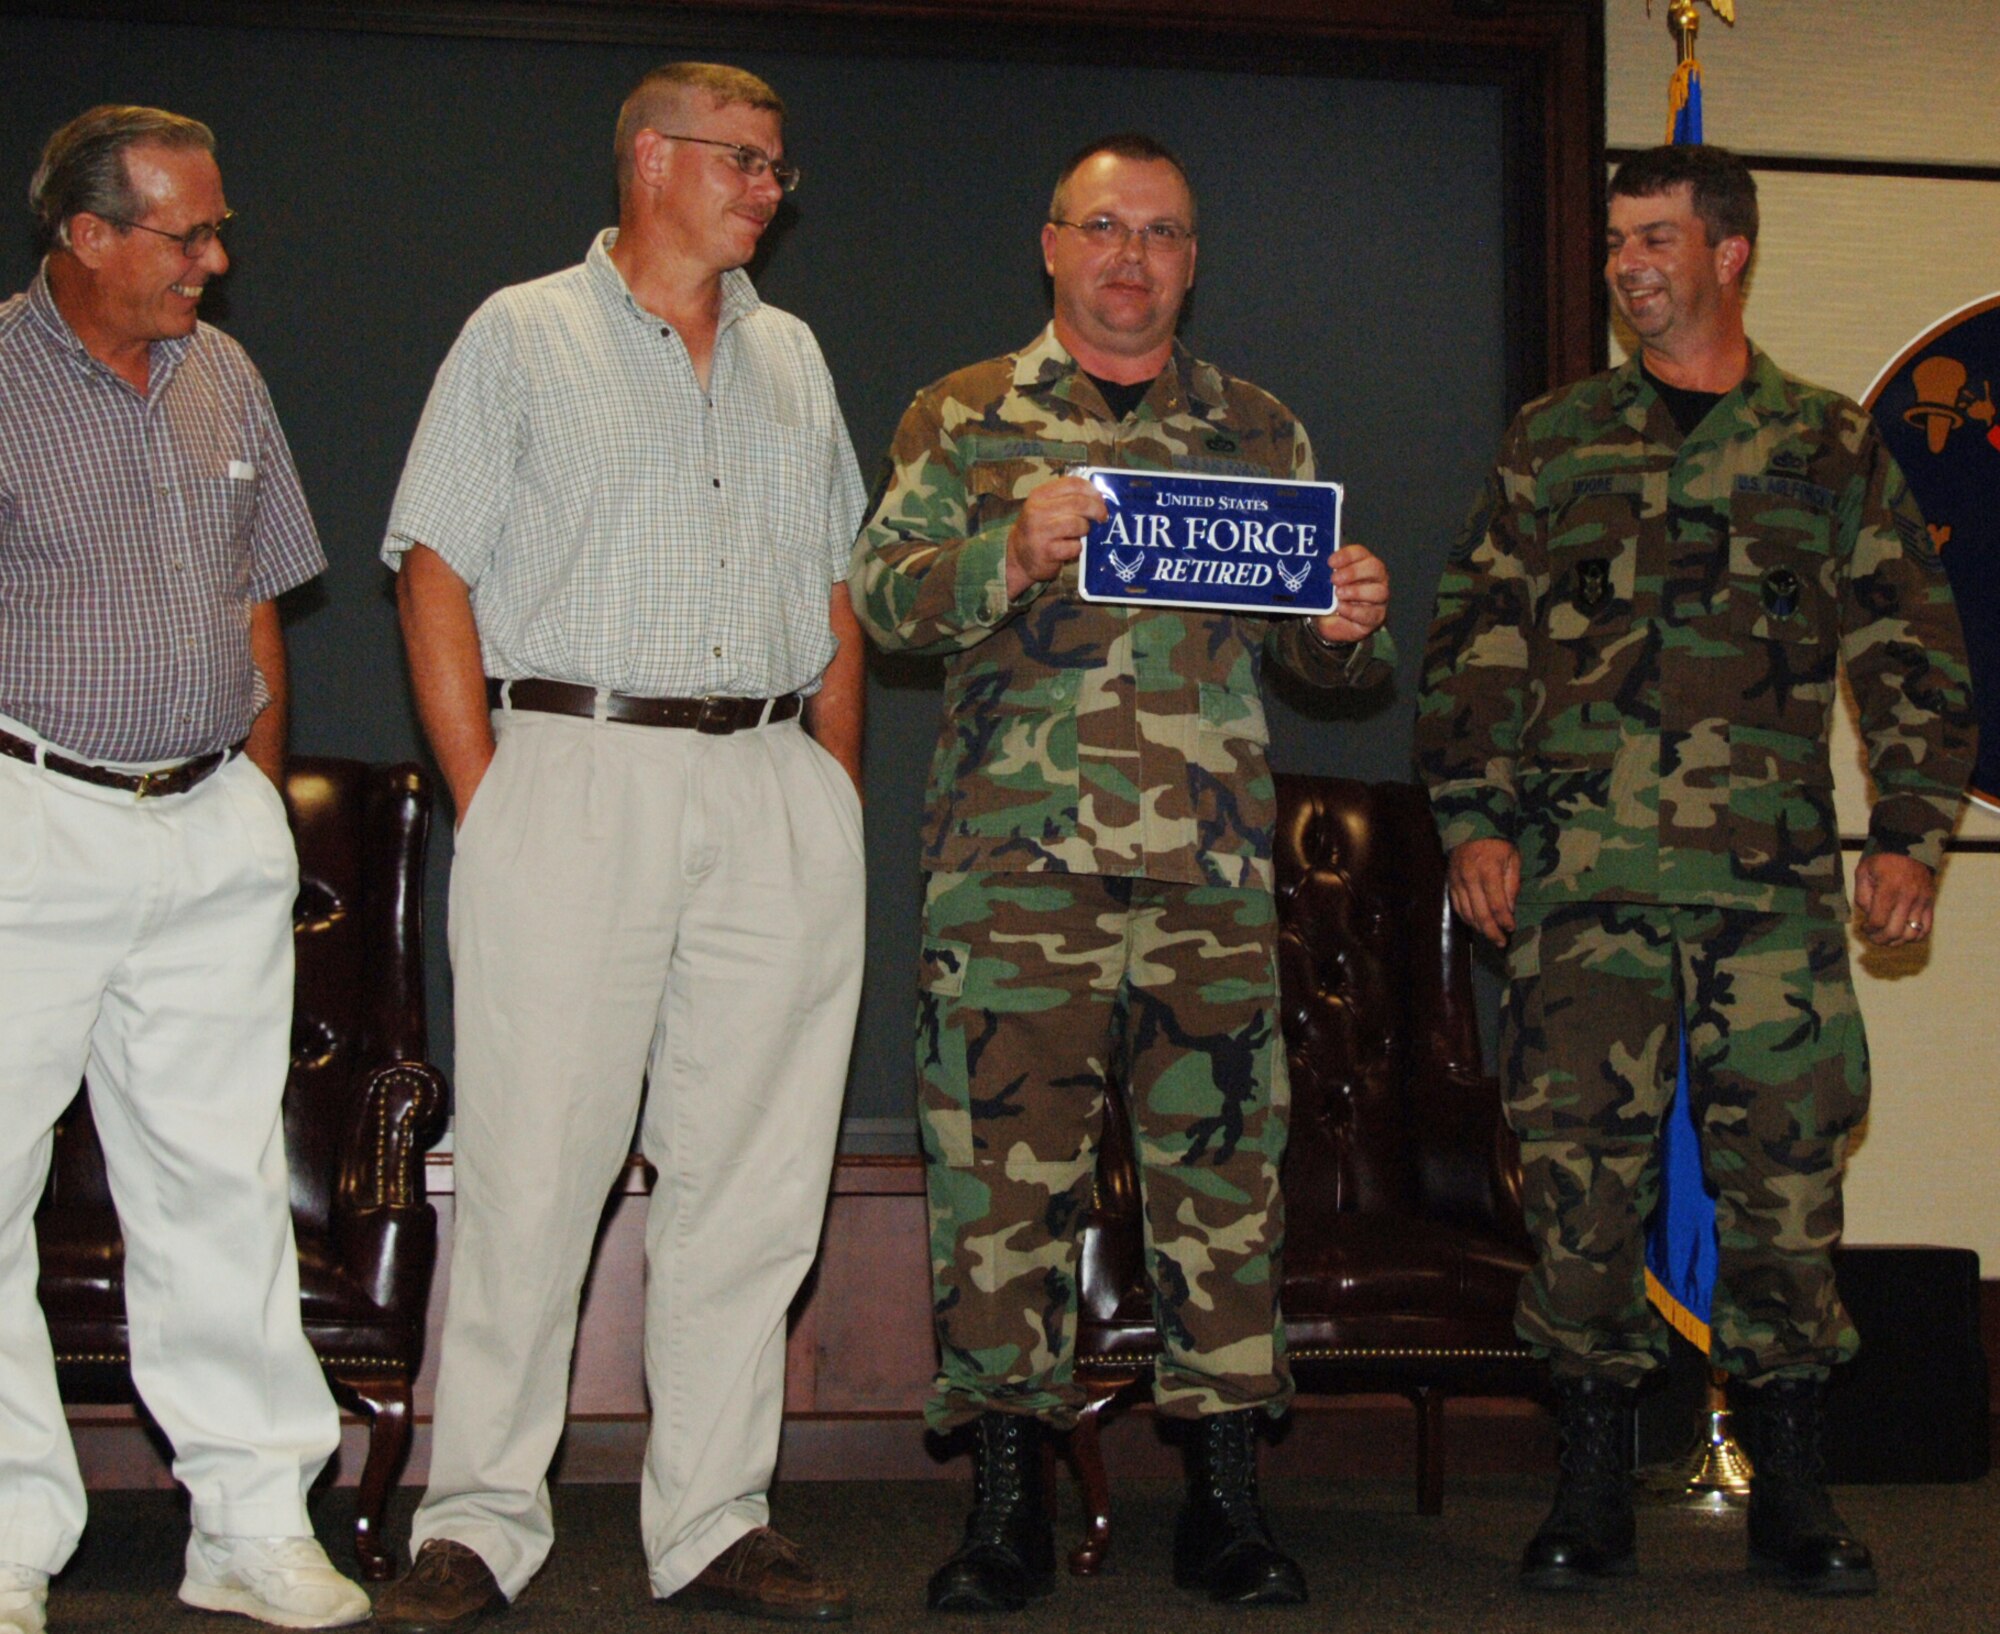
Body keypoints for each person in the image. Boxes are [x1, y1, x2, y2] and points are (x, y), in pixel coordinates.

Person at [1415, 143, 1977, 1598]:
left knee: (1787, 1179)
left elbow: (1912, 648)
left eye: (1654, 239)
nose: (1625, 265)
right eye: (1613, 242)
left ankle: (1795, 1478)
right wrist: (1473, 815)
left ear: (1730, 252)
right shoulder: (1556, 440)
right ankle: (1593, 1471)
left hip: (1768, 889)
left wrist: (1911, 831)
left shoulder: (1827, 446)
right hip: (1580, 886)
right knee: (1583, 1184)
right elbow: (1474, 633)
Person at [851, 133, 1393, 1613]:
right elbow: (881, 601)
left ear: (1192, 259)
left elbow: (1324, 658)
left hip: (1210, 881)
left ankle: (1224, 1502)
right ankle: (1004, 1503)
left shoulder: (1261, 429)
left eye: (1161, 232)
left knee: (1222, 1192)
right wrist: (1002, 553)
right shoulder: (963, 416)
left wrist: (1347, 623)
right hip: (1013, 883)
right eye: (1104, 227)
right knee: (997, 1195)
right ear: (1051, 246)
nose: (1131, 258)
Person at [371, 62, 867, 1630]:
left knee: (755, 1181)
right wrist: (492, 792)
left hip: (772, 779)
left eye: (780, 168)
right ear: (652, 159)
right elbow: (433, 568)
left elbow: (842, 593)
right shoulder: (521, 333)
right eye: (743, 159)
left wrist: (827, 793)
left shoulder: (794, 357)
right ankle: (478, 1520)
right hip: (574, 765)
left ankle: (716, 1518)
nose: (767, 187)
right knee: (534, 1168)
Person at [0, 106, 370, 1632]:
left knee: (220, 1188)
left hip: (212, 815)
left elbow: (256, 601)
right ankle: (11, 1534)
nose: (215, 261)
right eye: (185, 235)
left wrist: (259, 809)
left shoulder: (225, 373)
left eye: (220, 232)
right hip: (32, 812)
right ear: (86, 236)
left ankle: (250, 1523)